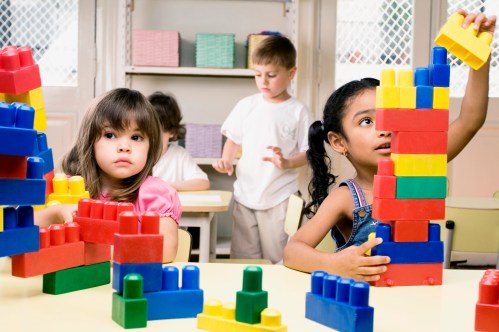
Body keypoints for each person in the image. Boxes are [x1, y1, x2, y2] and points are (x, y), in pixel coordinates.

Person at [283, 10, 496, 281]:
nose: (383, 128)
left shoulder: (419, 170)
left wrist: (480, 56)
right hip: (370, 305)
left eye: (389, 115)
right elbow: (293, 251)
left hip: (419, 296)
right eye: (366, 121)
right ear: (338, 142)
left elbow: (470, 120)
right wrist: (334, 264)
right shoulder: (348, 197)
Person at [35, 88, 181, 263]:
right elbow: (21, 235)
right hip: (77, 288)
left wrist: (92, 253)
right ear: (90, 142)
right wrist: (56, 213)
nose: (124, 147)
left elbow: (166, 250)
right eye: (110, 135)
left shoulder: (156, 194)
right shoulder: (68, 187)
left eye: (136, 137)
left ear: (150, 147)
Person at [212, 35, 311, 264]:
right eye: (258, 74)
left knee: (277, 259)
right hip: (245, 195)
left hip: (279, 197)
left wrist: (286, 162)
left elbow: (308, 152)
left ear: (291, 73)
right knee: (244, 261)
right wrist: (226, 160)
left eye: (271, 75)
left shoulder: (298, 111)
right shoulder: (247, 105)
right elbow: (233, 140)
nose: (263, 82)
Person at [148, 91, 210, 191]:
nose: (151, 135)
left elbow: (203, 183)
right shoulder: (138, 154)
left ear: (172, 132)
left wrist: (167, 186)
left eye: (157, 130)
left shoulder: (179, 155)